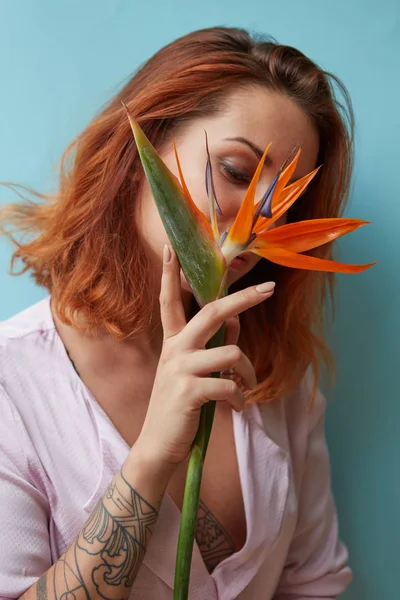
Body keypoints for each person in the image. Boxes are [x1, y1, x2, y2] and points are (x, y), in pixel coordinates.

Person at [0, 26, 353, 600]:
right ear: (142, 154)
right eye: (235, 172)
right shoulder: (13, 385)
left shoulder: (277, 376)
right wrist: (153, 455)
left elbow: (312, 583)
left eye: (284, 204)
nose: (259, 221)